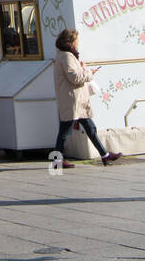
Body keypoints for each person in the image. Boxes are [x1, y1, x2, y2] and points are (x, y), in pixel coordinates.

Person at [52, 28, 121, 168]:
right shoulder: (67, 56)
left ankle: (105, 155)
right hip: (73, 100)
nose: (78, 43)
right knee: (65, 131)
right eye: (76, 40)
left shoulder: (64, 56)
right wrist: (89, 72)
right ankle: (57, 160)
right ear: (71, 42)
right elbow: (75, 77)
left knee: (90, 128)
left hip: (76, 100)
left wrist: (83, 68)